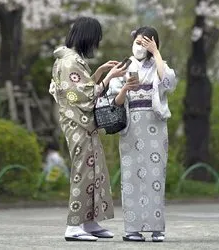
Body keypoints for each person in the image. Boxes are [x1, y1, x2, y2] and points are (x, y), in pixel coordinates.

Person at [49, 16, 128, 242]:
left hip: (82, 122)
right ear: (87, 37)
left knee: (94, 169)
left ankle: (90, 222)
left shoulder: (70, 59)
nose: (96, 45)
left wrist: (102, 71)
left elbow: (82, 89)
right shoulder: (69, 62)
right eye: (95, 40)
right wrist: (110, 77)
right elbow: (82, 96)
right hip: (77, 123)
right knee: (83, 170)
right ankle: (73, 225)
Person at [107, 26, 177, 242]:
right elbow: (114, 102)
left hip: (155, 126)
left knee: (156, 175)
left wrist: (156, 54)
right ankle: (132, 229)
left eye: (145, 43)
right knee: (131, 178)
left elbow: (169, 84)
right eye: (137, 42)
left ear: (153, 44)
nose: (140, 46)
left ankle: (157, 228)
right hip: (131, 128)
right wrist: (125, 89)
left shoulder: (159, 65)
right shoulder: (124, 66)